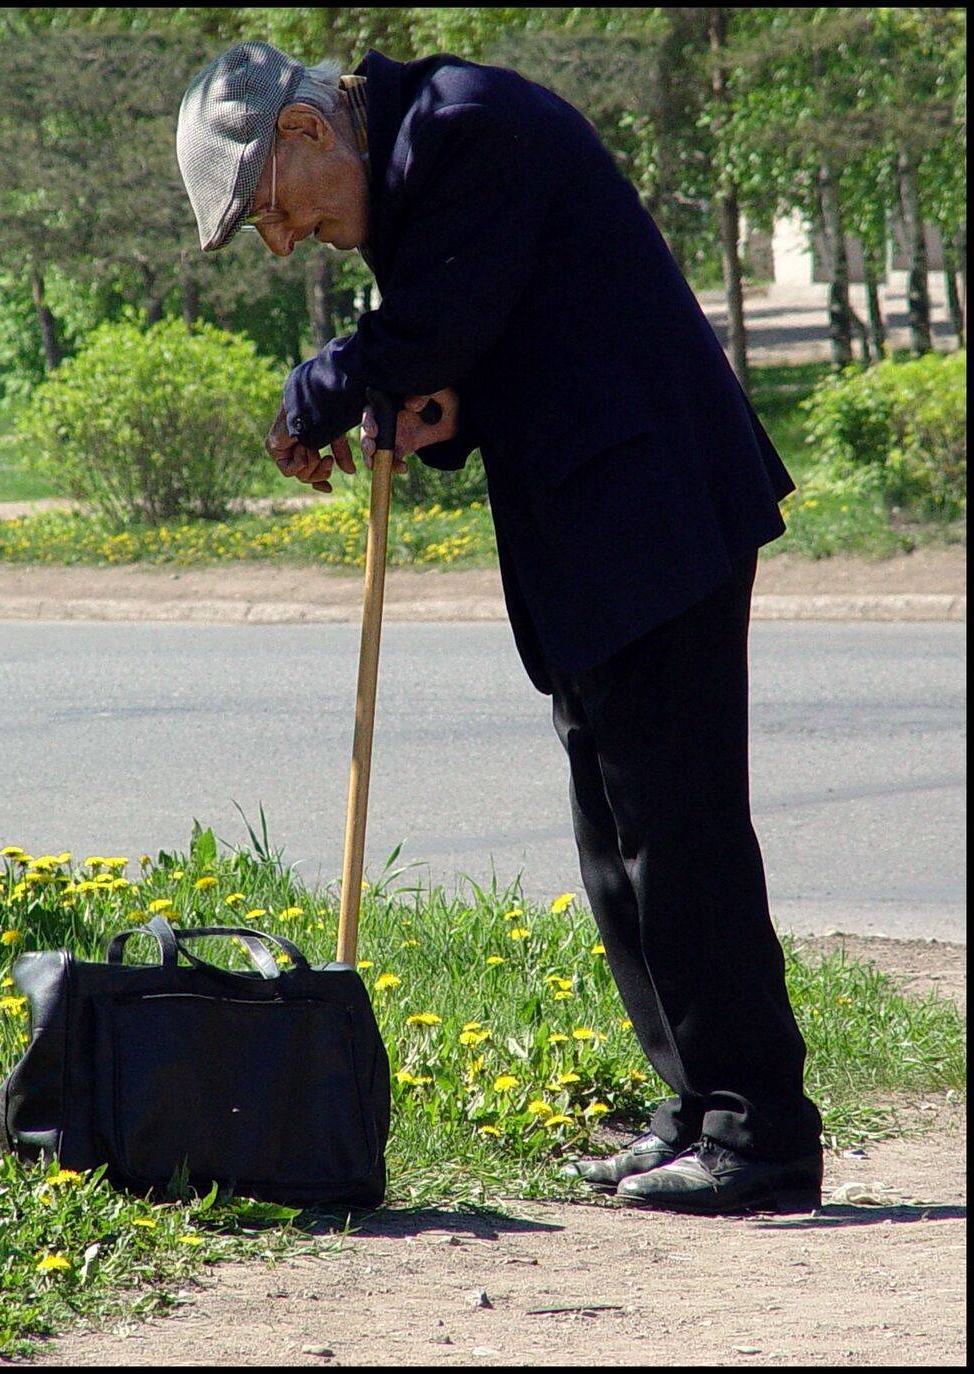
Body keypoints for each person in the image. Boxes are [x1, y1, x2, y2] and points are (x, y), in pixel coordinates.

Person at [175, 41, 825, 1215]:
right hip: (594, 519)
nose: (281, 241)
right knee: (618, 842)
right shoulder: (418, 166)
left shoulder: (462, 126)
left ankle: (761, 1133)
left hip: (655, 504)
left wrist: (322, 390)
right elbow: (503, 335)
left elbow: (441, 319)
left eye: (267, 210)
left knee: (680, 836)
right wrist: (441, 409)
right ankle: (695, 1110)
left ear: (307, 131)